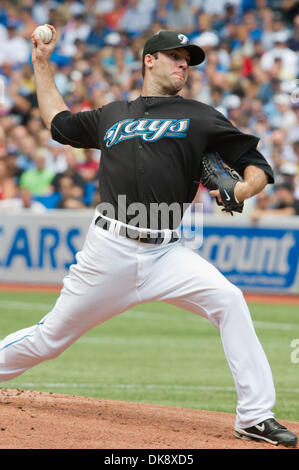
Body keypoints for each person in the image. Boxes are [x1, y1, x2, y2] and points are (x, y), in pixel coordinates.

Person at [0, 26, 297, 448]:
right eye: (176, 55)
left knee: (229, 300)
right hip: (109, 251)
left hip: (167, 253)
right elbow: (58, 122)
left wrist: (242, 189)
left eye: (188, 60)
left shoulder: (200, 117)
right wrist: (41, 63)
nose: (184, 64)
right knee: (49, 340)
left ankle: (254, 416)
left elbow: (255, 165)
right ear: (150, 60)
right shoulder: (112, 114)